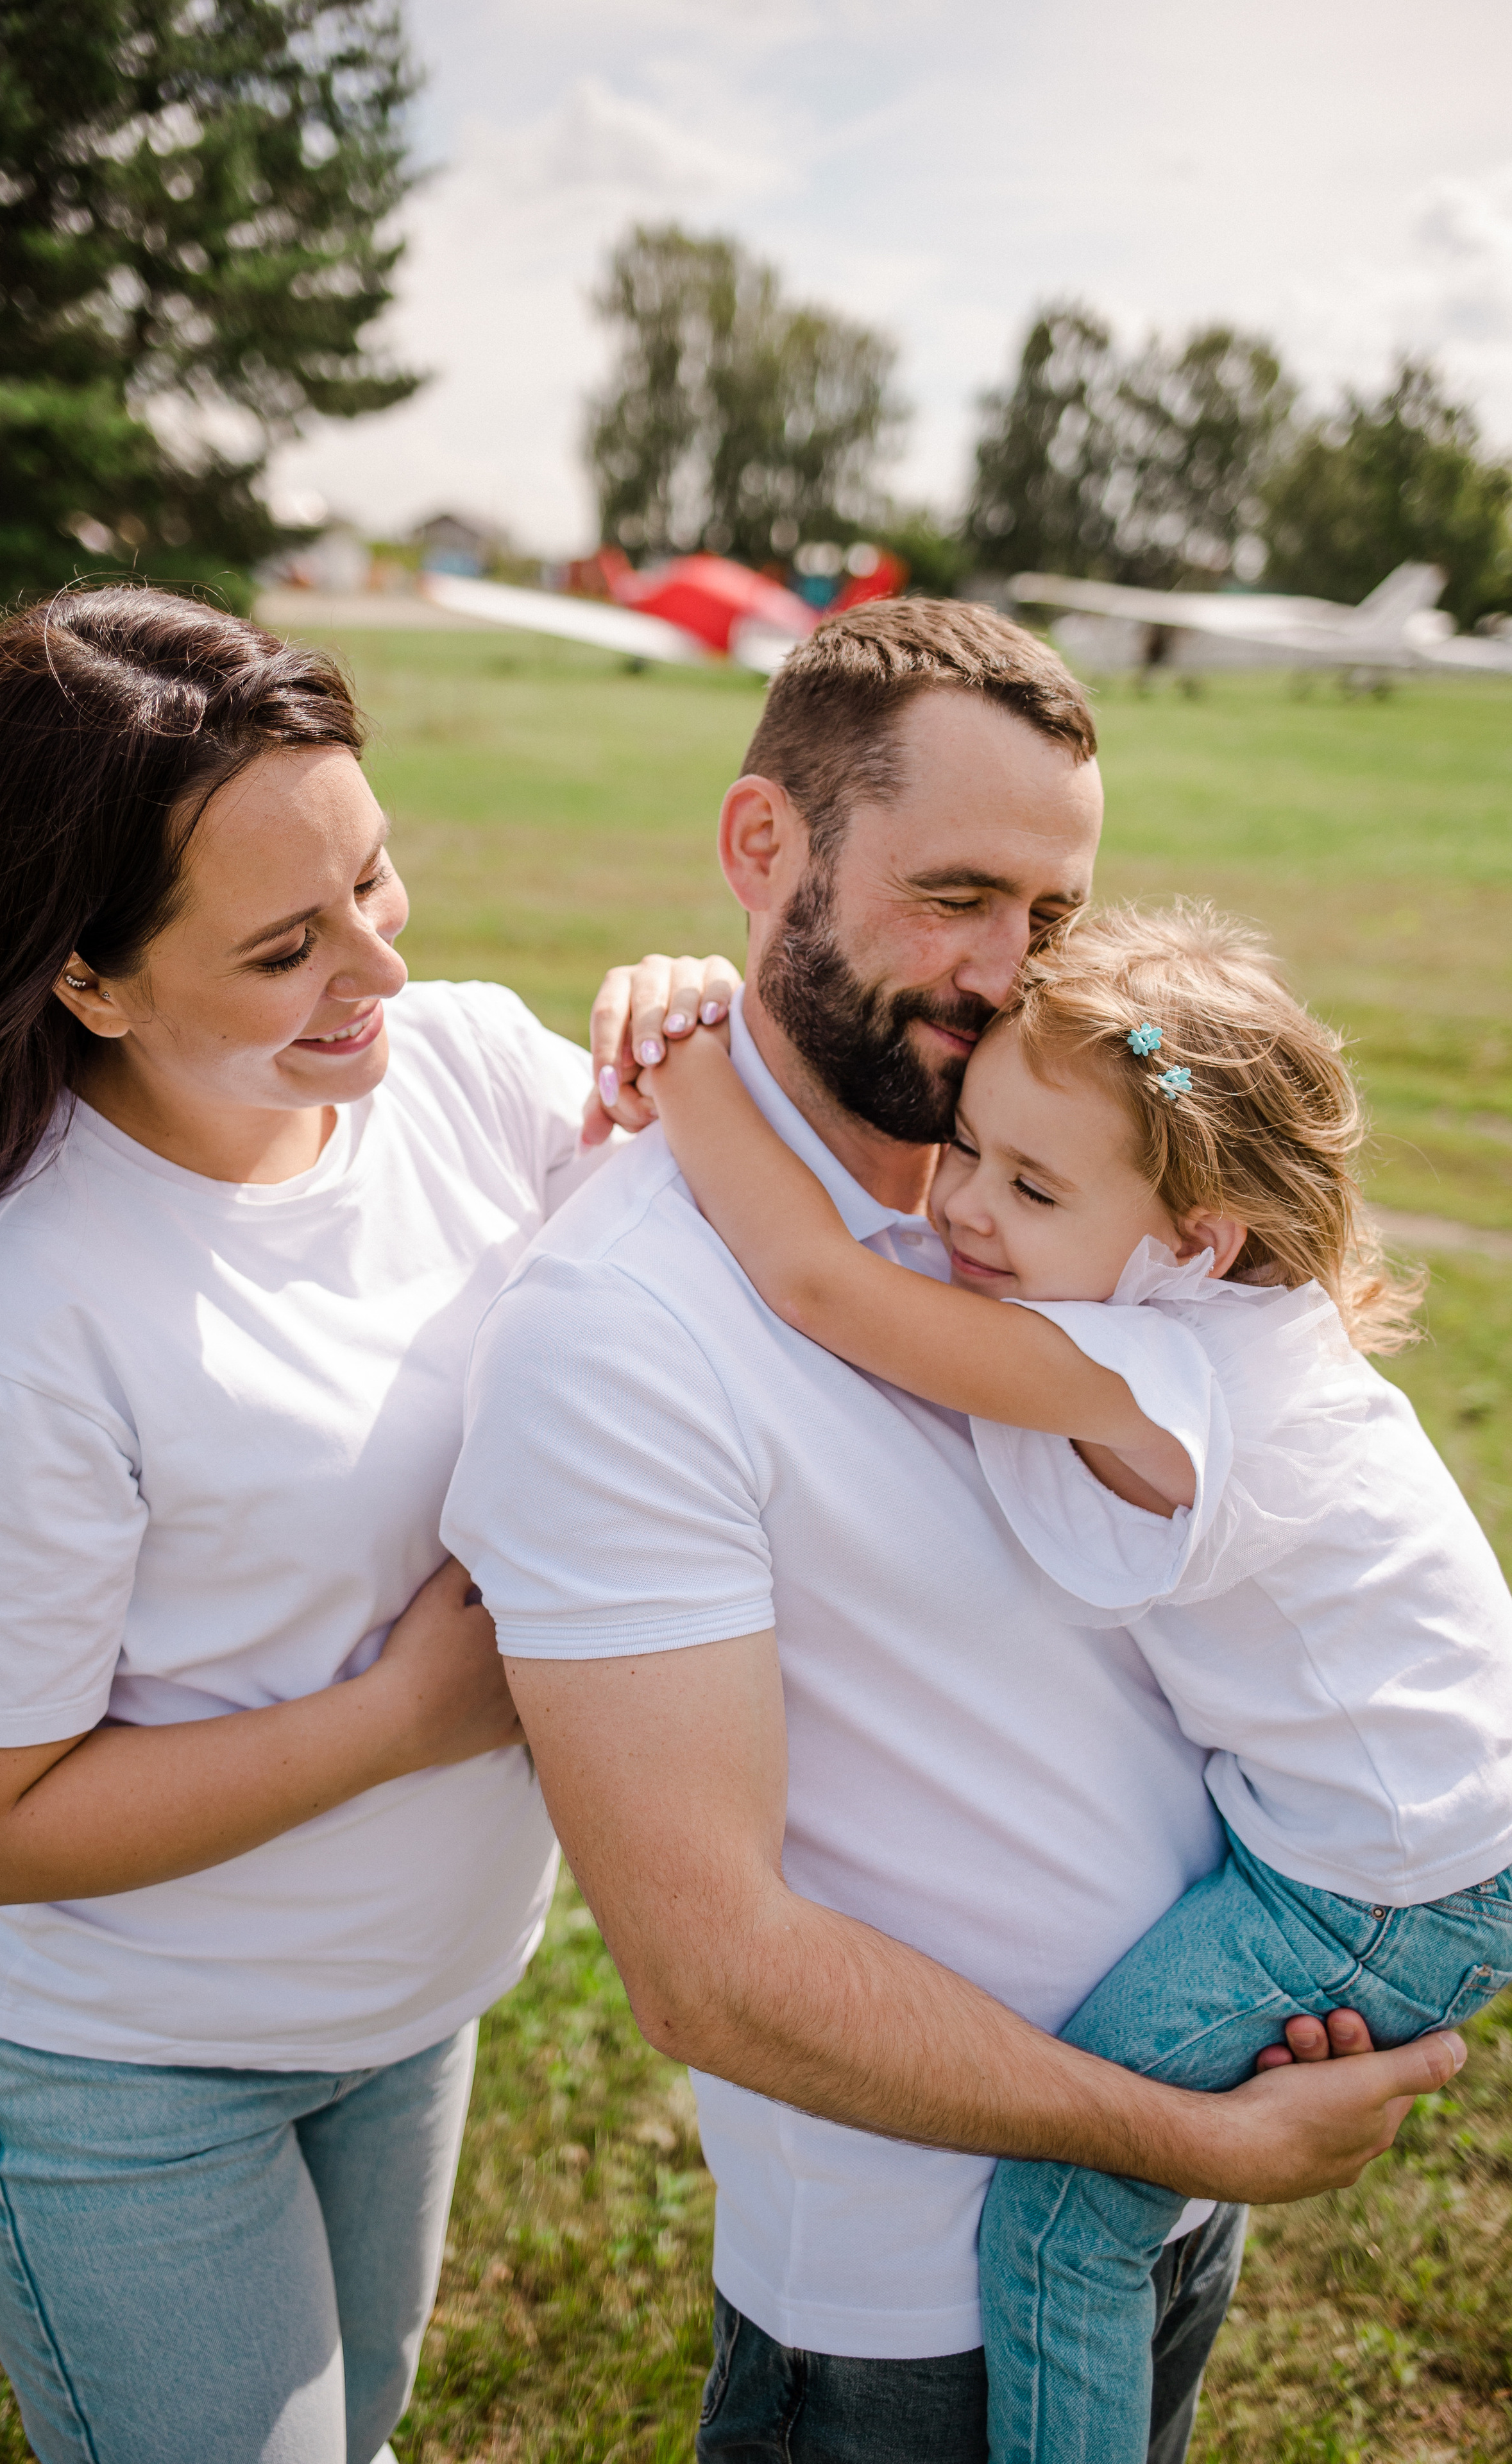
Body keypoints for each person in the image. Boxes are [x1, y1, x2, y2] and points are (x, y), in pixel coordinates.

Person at [443, 597, 1468, 2464]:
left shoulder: (1044, 1212)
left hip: (1178, 2168)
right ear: (767, 851)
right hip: (920, 2301)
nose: (1008, 974)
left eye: (1053, 917)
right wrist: (1198, 2132)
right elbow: (708, 1966)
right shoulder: (622, 1327)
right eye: (957, 894)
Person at [0, 585, 735, 2464]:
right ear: (87, 982)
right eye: (283, 950)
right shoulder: (12, 1330)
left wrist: (714, 1032)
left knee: (364, 2436)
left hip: (410, 2014)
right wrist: (414, 1713)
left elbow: (760, 1253)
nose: (379, 972)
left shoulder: (475, 1076)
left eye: (377, 877)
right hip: (127, 2076)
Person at [639, 896, 1512, 2462]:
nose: (962, 1207)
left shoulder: (1163, 1375)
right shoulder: (1192, 1307)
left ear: (1197, 1239)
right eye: (965, 1146)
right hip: (1392, 1842)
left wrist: (687, 1060)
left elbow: (823, 1287)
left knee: (1061, 2220)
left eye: (1030, 1186)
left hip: (1373, 1886)